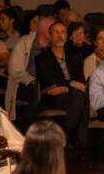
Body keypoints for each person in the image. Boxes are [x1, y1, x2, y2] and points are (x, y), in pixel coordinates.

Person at [34, 22, 90, 151]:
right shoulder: (41, 58)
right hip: (53, 97)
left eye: (63, 32)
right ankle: (80, 145)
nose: (60, 36)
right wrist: (71, 84)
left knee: (79, 97)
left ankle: (66, 135)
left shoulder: (74, 58)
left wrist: (66, 88)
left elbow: (80, 81)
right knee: (79, 97)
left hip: (71, 96)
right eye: (56, 32)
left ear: (67, 35)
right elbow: (47, 80)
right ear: (50, 36)